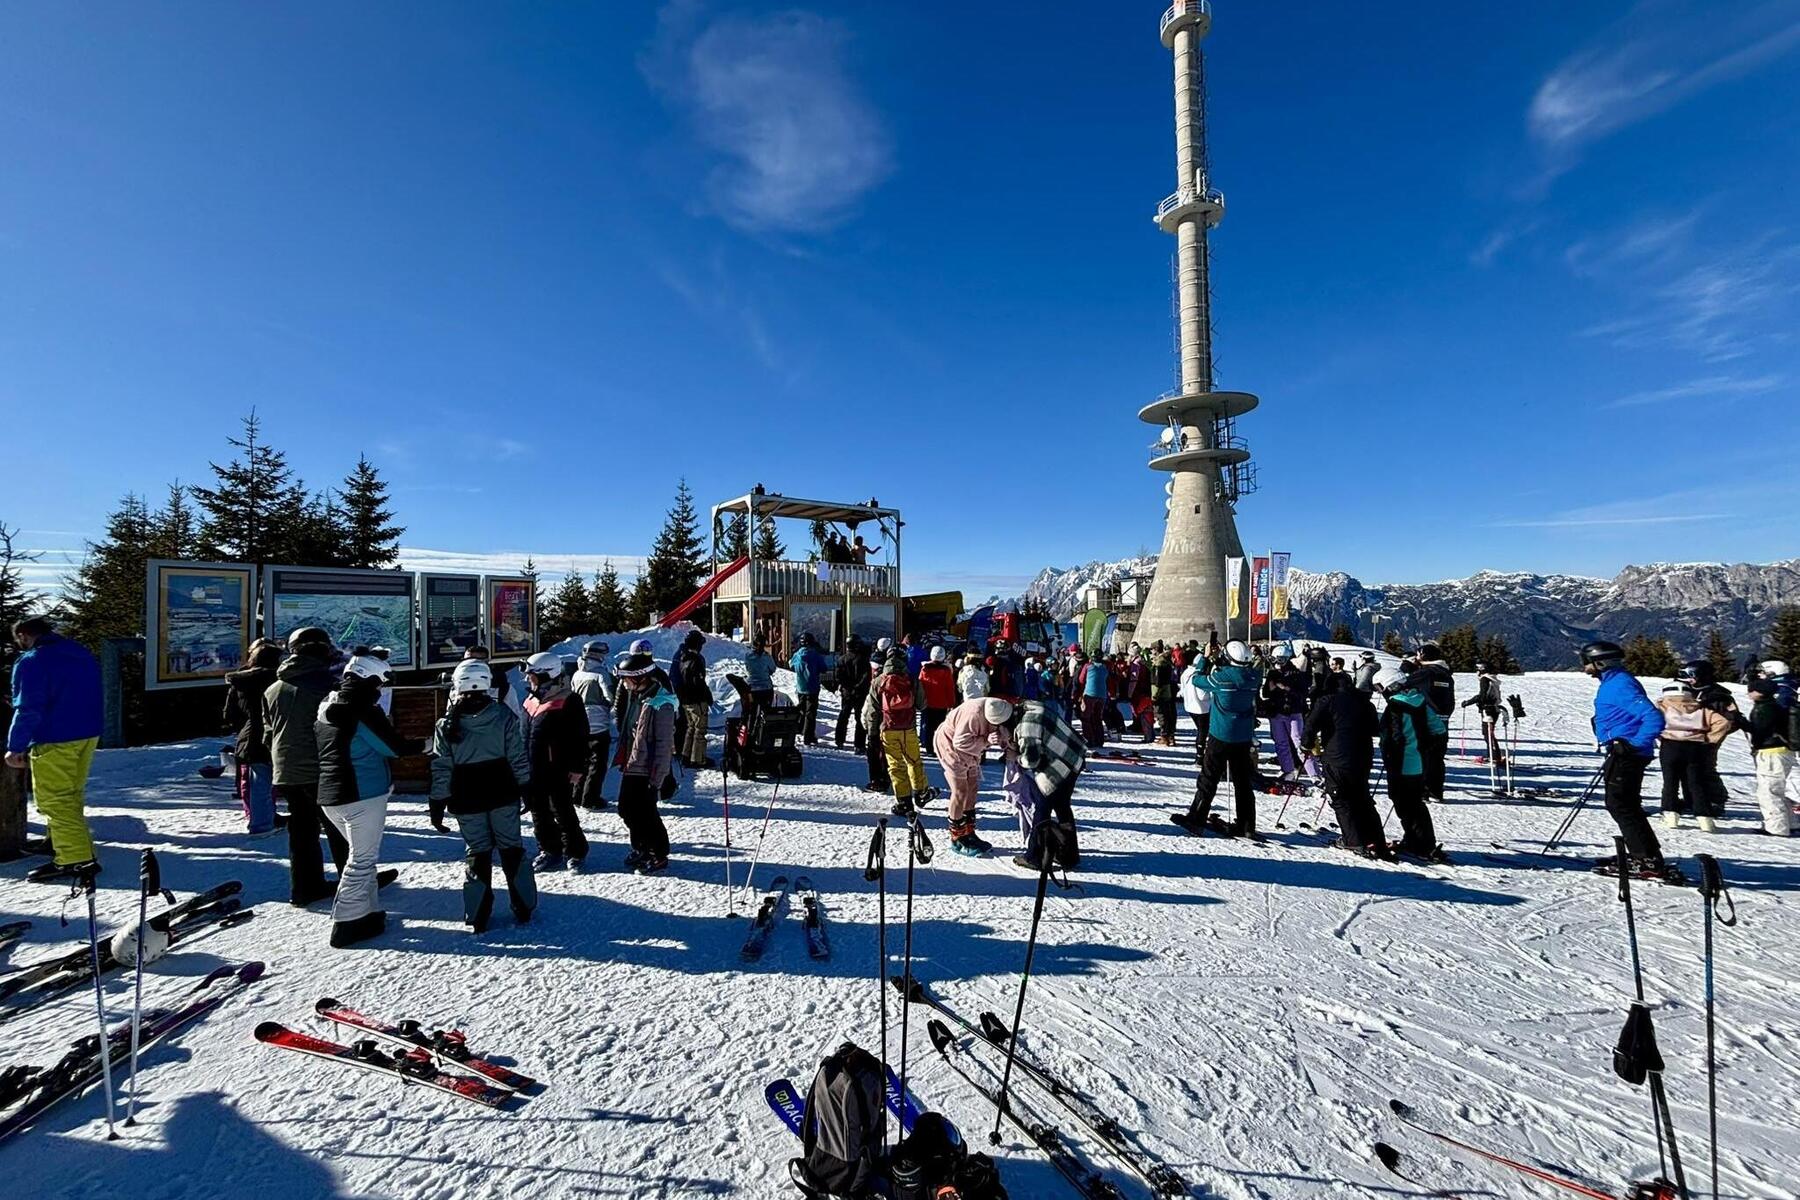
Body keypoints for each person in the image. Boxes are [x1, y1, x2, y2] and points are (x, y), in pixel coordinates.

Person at [315, 651, 419, 947]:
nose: (380, 690)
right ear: (368, 680)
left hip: (329, 794)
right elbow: (392, 747)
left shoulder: (327, 705)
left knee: (361, 856)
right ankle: (347, 922)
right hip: (363, 793)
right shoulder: (362, 710)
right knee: (361, 860)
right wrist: (425, 745)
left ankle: (367, 911)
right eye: (379, 683)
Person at [430, 659, 536, 931]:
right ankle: (524, 905)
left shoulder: (447, 723)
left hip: (466, 797)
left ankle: (477, 914)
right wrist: (527, 789)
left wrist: (437, 802)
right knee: (512, 847)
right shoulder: (502, 716)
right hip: (503, 792)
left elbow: (442, 766)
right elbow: (517, 758)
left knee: (477, 852)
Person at [6, 616, 103, 883]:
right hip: (87, 733)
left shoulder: (32, 660)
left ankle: (75, 859)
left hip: (54, 736)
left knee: (55, 800)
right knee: (70, 793)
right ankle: (58, 840)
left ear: (24, 635)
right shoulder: (78, 652)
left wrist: (15, 746)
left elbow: (28, 707)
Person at [265, 627, 349, 905]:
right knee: (339, 827)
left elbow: (269, 732)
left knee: (301, 831)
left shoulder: (274, 688)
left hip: (286, 769)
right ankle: (354, 882)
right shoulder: (328, 686)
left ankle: (304, 887)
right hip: (321, 767)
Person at [1580, 640, 1672, 877]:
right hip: (1622, 751)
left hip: (1628, 754)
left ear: (1600, 662)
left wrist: (1633, 744)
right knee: (1624, 804)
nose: (1584, 667)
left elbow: (1654, 718)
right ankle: (1644, 854)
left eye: (1587, 662)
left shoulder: (1620, 684)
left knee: (1621, 804)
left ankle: (1646, 859)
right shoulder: (1614, 682)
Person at [1171, 640, 1262, 837]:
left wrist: (1205, 658)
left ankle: (1196, 819)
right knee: (1243, 782)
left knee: (1209, 778)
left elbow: (1196, 679)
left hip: (1220, 735)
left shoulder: (1222, 678)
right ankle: (1247, 825)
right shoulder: (1253, 677)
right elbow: (1255, 668)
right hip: (1243, 737)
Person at [520, 650, 589, 872]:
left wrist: (578, 767)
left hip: (557, 767)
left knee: (562, 810)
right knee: (538, 811)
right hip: (533, 767)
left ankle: (575, 852)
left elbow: (580, 736)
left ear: (546, 675)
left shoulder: (569, 700)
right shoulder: (531, 700)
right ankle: (549, 849)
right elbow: (523, 735)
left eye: (532, 676)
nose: (528, 680)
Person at [1303, 675, 1386, 856]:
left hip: (1337, 756)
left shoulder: (1328, 700)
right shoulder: (1365, 702)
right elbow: (1375, 729)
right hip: (1363, 756)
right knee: (1362, 797)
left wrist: (1306, 744)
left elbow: (1311, 724)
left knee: (1340, 799)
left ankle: (1353, 840)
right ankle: (1376, 839)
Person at [1004, 697, 1087, 870]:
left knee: (1042, 808)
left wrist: (1016, 757)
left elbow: (1031, 760)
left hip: (1061, 765)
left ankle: (1036, 857)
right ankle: (1069, 855)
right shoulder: (1030, 708)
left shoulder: (1027, 727)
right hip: (1074, 757)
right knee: (1063, 806)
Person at [614, 648, 677, 871]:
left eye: (627, 679)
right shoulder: (637, 696)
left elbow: (663, 745)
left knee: (646, 812)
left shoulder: (661, 703)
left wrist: (657, 780)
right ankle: (641, 845)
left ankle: (657, 853)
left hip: (647, 767)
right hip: (633, 762)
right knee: (626, 808)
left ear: (640, 678)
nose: (623, 684)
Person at [933, 696, 1015, 856]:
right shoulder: (973, 715)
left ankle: (969, 833)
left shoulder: (999, 706)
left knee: (973, 787)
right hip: (950, 746)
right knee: (960, 791)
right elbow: (960, 742)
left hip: (971, 750)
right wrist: (986, 741)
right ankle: (957, 838)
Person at [1377, 669, 1444, 861]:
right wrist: (1423, 746)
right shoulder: (1421, 702)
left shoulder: (1395, 707)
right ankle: (1421, 841)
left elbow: (1391, 737)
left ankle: (1419, 844)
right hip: (1420, 762)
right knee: (1415, 803)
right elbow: (1438, 729)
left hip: (1400, 763)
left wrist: (1388, 755)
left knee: (1404, 803)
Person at [222, 637, 284, 837]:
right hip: (276, 734)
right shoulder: (279, 681)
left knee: (257, 782)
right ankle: (262, 824)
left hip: (249, 736)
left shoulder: (240, 681)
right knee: (270, 782)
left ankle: (262, 819)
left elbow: (229, 714)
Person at [1654, 681, 1732, 832]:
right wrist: (1709, 739)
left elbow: (1652, 720)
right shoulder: (1700, 708)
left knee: (1670, 782)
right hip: (1695, 748)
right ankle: (1705, 819)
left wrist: (1659, 734)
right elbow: (1722, 722)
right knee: (1696, 783)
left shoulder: (1663, 705)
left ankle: (1670, 815)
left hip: (1670, 746)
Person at [1676, 659, 1745, 825]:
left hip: (1708, 738)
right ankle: (1692, 798)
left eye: (1691, 676)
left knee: (1706, 767)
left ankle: (1716, 800)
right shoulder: (1686, 690)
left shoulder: (1719, 695)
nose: (1688, 680)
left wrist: (1713, 735)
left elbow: (1733, 719)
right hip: (1688, 737)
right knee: (1686, 768)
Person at [877, 651, 929, 817]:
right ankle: (921, 793)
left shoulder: (879, 681)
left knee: (895, 766)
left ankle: (904, 802)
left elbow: (872, 709)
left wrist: (872, 730)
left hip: (888, 729)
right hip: (908, 729)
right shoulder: (912, 680)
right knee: (914, 761)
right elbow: (922, 704)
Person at [571, 640, 617, 811]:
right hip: (598, 723)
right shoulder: (600, 674)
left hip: (579, 723)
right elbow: (610, 697)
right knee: (597, 764)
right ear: (598, 655)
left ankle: (576, 795)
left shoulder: (577, 674)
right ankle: (590, 798)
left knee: (581, 761)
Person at [1746, 676, 1793, 837]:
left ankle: (1777, 828)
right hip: (1780, 751)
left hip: (1771, 753)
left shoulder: (1765, 708)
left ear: (1759, 693)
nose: (1749, 693)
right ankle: (1791, 822)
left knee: (1769, 790)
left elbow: (1759, 731)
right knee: (1777, 788)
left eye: (1752, 690)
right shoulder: (1773, 706)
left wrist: (1741, 722)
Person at [1409, 644, 1456, 801]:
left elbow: (1403, 683)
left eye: (1418, 654)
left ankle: (1422, 791)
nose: (1416, 657)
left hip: (1426, 720)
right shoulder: (1446, 674)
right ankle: (1436, 791)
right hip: (1443, 721)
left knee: (1422, 755)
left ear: (1424, 655)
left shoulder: (1426, 673)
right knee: (1437, 757)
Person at [1263, 645, 1314, 783]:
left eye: (1280, 660)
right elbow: (1265, 693)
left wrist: (1286, 688)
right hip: (1277, 712)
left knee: (1298, 742)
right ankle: (1288, 770)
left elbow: (1303, 693)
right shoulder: (1273, 673)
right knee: (1281, 743)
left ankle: (1314, 775)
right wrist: (1271, 688)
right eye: (1275, 660)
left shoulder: (1296, 673)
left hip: (1293, 712)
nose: (1277, 663)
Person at [673, 630, 714, 769]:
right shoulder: (695, 660)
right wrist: (707, 696)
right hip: (696, 699)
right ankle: (697, 759)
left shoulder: (682, 658)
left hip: (686, 699)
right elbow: (699, 682)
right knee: (700, 730)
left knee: (690, 728)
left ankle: (686, 755)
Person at [1461, 665, 1507, 767]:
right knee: (1488, 733)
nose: (1477, 673)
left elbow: (1482, 695)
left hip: (1488, 710)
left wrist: (1468, 702)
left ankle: (1495, 757)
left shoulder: (1485, 679)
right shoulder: (1492, 679)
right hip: (1493, 709)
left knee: (1488, 734)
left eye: (1478, 670)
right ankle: (1493, 755)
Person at [918, 646, 957, 755]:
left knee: (928, 726)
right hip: (942, 703)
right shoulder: (946, 671)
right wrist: (951, 703)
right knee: (939, 727)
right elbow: (949, 688)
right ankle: (938, 747)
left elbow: (921, 686)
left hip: (928, 703)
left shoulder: (925, 669)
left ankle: (929, 747)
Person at [834, 635, 871, 752]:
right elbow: (866, 677)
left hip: (846, 692)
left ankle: (839, 740)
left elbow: (838, 677)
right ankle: (859, 744)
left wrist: (847, 687)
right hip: (860, 693)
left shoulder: (842, 659)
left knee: (843, 716)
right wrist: (857, 687)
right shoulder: (863, 659)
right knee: (860, 718)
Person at [789, 633, 825, 746]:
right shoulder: (815, 655)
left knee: (802, 710)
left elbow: (791, 665)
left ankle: (799, 730)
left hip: (800, 687)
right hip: (813, 688)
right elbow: (823, 668)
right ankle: (808, 736)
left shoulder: (797, 655)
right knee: (811, 713)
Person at [1179, 652, 1211, 764]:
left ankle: (1200, 753)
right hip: (1201, 708)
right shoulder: (1200, 676)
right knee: (1203, 732)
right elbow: (1202, 695)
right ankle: (1200, 755)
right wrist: (1211, 694)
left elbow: (1182, 692)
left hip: (1190, 706)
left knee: (1200, 731)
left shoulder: (1185, 673)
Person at [1076, 650, 1108, 748]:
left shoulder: (1088, 666)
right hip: (1102, 695)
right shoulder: (1105, 667)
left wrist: (1079, 693)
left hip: (1089, 695)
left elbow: (1081, 680)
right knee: (1097, 718)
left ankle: (1088, 740)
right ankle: (1099, 740)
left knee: (1086, 717)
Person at [1150, 642, 1178, 747]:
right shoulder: (1168, 661)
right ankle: (1171, 736)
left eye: (1152, 649)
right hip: (1169, 691)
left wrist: (1154, 695)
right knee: (1170, 714)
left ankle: (1164, 736)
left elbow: (1157, 681)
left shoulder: (1159, 662)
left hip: (1161, 693)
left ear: (1155, 649)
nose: (1151, 652)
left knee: (1161, 714)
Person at [743, 635, 777, 720]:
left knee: (752, 712)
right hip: (766, 688)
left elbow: (747, 668)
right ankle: (763, 729)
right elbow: (773, 668)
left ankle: (751, 730)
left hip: (751, 688)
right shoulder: (767, 656)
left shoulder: (747, 656)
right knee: (766, 712)